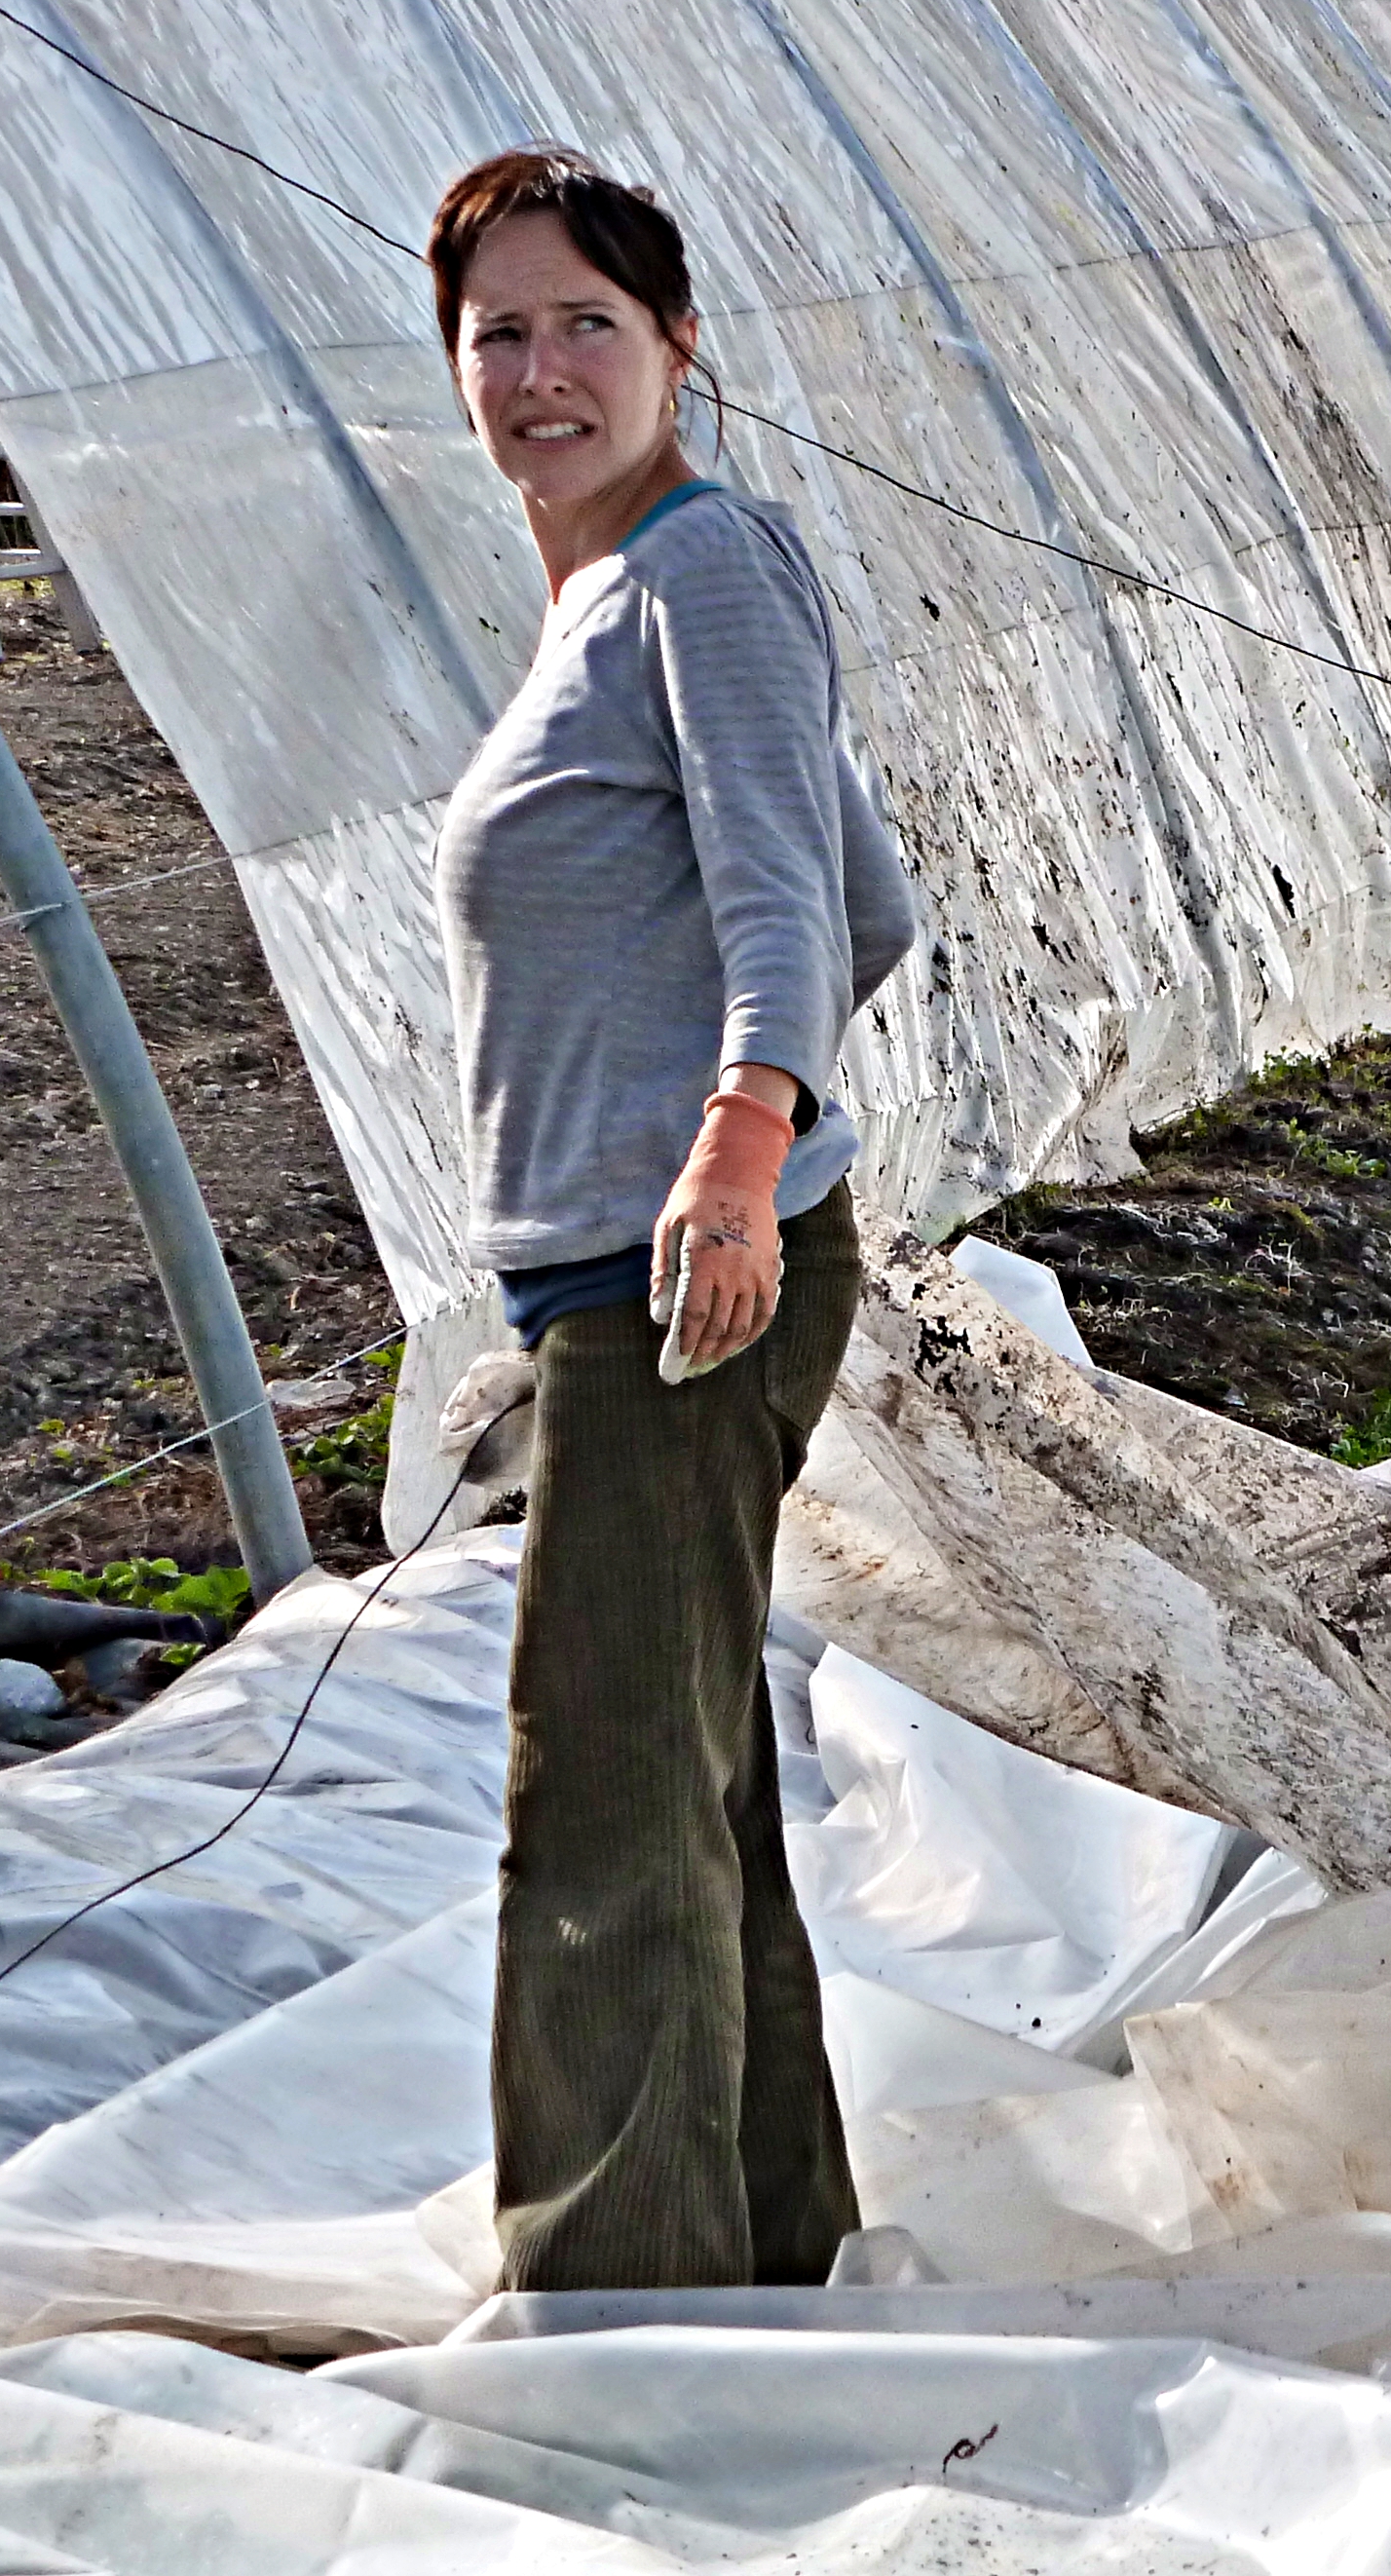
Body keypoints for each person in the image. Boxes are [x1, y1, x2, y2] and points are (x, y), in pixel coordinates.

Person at [428, 146, 918, 2292]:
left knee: (604, 1817)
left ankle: (619, 2308)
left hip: (682, 1281)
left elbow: (801, 908)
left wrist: (729, 1155)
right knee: (690, 1792)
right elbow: (864, 891)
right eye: (501, 334)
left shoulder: (704, 568)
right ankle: (763, 2249)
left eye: (585, 327)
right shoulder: (620, 592)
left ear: (679, 345)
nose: (543, 373)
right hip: (641, 1265)